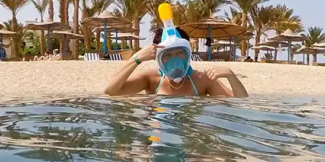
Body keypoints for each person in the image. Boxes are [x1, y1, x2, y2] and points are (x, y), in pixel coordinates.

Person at [104, 28, 248, 97]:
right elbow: (112, 91)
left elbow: (240, 102)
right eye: (167, 55)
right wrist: (136, 58)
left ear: (188, 53)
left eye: (180, 53)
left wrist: (230, 75)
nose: (175, 59)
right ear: (158, 57)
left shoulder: (202, 79)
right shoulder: (151, 78)